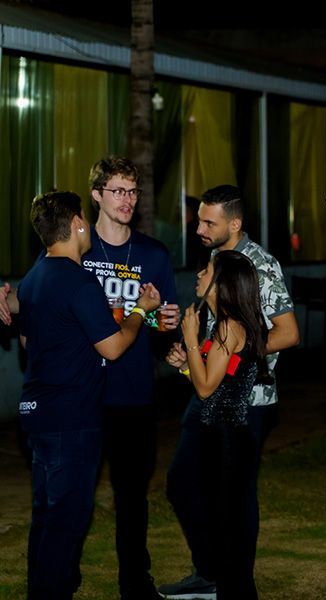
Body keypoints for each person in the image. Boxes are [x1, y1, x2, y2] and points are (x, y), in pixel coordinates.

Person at [2, 156, 181, 599]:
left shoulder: (153, 254)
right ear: (95, 197)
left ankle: (133, 584)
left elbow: (160, 321)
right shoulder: (71, 254)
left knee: (128, 498)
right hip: (81, 402)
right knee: (66, 506)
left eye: (133, 191)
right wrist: (7, 297)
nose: (127, 199)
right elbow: (37, 299)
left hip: (131, 396)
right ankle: (60, 580)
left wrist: (165, 322)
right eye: (118, 190)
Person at [160, 185, 299, 600]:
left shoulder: (260, 265)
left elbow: (288, 333)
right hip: (208, 391)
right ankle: (211, 572)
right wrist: (198, 356)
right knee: (183, 482)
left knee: (235, 497)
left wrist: (231, 354)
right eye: (200, 220)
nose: (199, 229)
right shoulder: (216, 261)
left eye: (209, 222)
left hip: (247, 402)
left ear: (234, 223)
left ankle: (234, 582)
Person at [179, 251, 270, 599]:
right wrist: (186, 365)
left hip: (226, 441)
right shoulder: (233, 324)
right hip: (226, 437)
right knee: (228, 535)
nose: (199, 274)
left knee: (228, 537)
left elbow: (205, 389)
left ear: (221, 283)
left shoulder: (228, 327)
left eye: (207, 270)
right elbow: (218, 383)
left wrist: (190, 339)